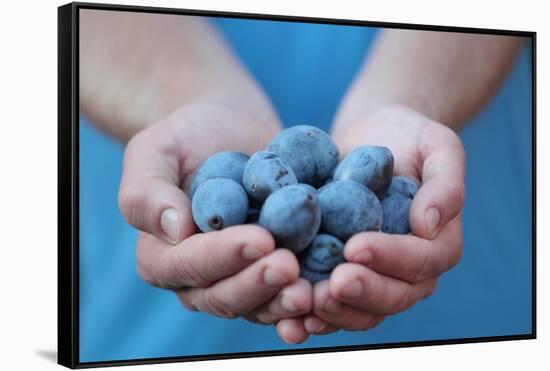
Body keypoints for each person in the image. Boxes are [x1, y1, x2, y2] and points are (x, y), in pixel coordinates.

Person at [79, 9, 532, 359]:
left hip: (476, 318)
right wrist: (186, 96)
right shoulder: (246, 184)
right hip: (150, 339)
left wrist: (411, 97)